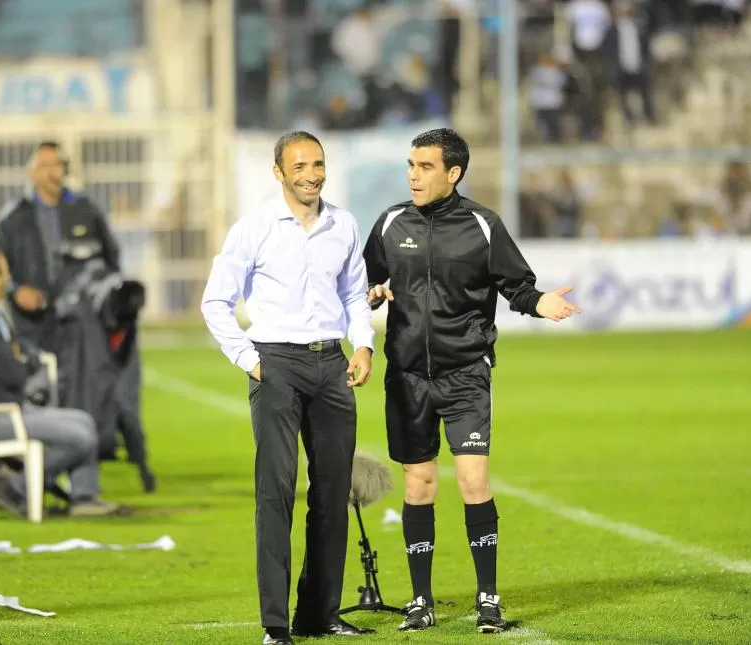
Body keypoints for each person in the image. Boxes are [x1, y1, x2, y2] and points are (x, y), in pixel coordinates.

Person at [362, 128, 582, 634]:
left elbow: (515, 286)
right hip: (408, 378)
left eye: (425, 167)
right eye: (410, 166)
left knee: (472, 480)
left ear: (453, 172)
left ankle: (488, 597)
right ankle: (421, 601)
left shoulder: (484, 225)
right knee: (418, 485)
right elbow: (364, 282)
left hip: (465, 374)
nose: (413, 175)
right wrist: (370, 296)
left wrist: (540, 302)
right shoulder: (391, 222)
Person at [201, 131, 376, 645]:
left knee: (331, 495)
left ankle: (319, 614)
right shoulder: (253, 228)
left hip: (332, 366)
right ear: (279, 172)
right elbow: (215, 302)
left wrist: (363, 345)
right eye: (299, 166)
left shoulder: (343, 224)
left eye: (318, 163)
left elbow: (354, 294)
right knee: (275, 492)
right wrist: (249, 359)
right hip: (274, 363)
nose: (311, 174)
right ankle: (276, 625)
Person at [0, 141, 156, 492]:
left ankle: (80, 488)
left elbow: (111, 261)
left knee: (86, 401)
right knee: (41, 403)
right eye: (46, 165)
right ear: (32, 171)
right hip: (33, 328)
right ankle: (34, 480)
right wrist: (15, 291)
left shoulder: (86, 210)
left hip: (82, 329)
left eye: (59, 165)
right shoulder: (13, 217)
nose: (54, 172)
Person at [0, 248, 124, 518]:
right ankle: (16, 489)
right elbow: (14, 373)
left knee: (84, 421)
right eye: (5, 270)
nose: (9, 277)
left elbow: (14, 357)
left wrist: (17, 359)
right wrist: (21, 363)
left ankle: (84, 496)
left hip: (2, 407)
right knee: (81, 436)